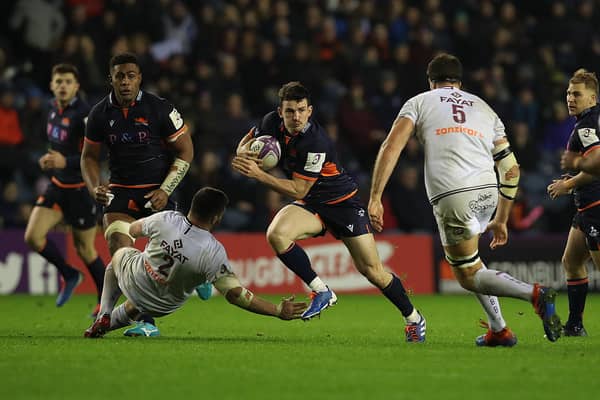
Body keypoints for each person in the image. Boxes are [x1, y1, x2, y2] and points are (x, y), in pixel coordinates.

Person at [368, 53, 562, 346]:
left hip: (453, 195)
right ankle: (500, 330)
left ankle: (533, 294)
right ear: (459, 82)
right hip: (488, 193)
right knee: (472, 264)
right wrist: (501, 218)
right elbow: (511, 169)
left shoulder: (419, 102)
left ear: (431, 81)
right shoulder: (484, 108)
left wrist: (375, 196)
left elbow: (392, 145)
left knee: (466, 275)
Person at [232, 82, 426, 343]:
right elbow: (245, 144)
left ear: (310, 110)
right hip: (313, 204)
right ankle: (321, 290)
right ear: (280, 111)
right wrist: (244, 154)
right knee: (276, 235)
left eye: (301, 110)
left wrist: (258, 174)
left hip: (342, 204)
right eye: (290, 111)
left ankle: (413, 318)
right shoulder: (269, 122)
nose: (296, 117)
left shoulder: (315, 141)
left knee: (373, 271)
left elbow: (299, 189)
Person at [84, 187, 307, 338]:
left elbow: (133, 230)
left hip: (138, 279)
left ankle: (104, 313)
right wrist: (277, 310)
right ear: (217, 218)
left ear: (191, 207)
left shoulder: (166, 218)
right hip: (164, 305)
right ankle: (104, 326)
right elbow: (236, 294)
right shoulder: (214, 251)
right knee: (139, 302)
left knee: (119, 257)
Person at [81, 52, 195, 332]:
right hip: (119, 193)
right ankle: (144, 322)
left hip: (156, 194)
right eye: (120, 76)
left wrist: (165, 189)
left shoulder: (159, 108)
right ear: (112, 79)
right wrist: (94, 186)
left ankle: (197, 276)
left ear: (139, 79)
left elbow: (186, 151)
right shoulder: (98, 114)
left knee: (166, 265)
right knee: (121, 253)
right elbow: (88, 158)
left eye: (131, 76)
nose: (125, 82)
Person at [23, 63, 105, 313]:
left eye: (68, 81)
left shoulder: (85, 114)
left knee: (85, 249)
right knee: (32, 237)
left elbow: (95, 154)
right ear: (51, 85)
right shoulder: (51, 109)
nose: (63, 86)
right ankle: (69, 274)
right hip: (58, 185)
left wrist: (65, 161)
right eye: (58, 81)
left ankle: (105, 299)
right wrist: (50, 159)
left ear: (76, 86)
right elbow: (57, 144)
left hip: (81, 190)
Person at [550, 69, 600, 336]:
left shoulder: (587, 126)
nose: (570, 98)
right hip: (586, 208)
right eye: (569, 93)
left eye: (577, 94)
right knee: (571, 261)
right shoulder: (589, 120)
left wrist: (566, 184)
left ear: (592, 98)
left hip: (596, 207)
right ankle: (575, 325)